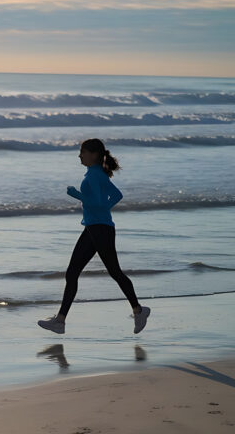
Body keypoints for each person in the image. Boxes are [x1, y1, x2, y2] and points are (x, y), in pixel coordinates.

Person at [37, 138, 150, 335]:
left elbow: (98, 201)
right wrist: (102, 211)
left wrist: (77, 195)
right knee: (72, 272)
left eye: (83, 152)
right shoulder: (96, 174)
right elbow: (116, 196)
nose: (79, 155)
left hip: (100, 229)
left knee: (114, 272)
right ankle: (60, 321)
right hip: (94, 227)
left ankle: (139, 310)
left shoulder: (95, 175)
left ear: (94, 154)